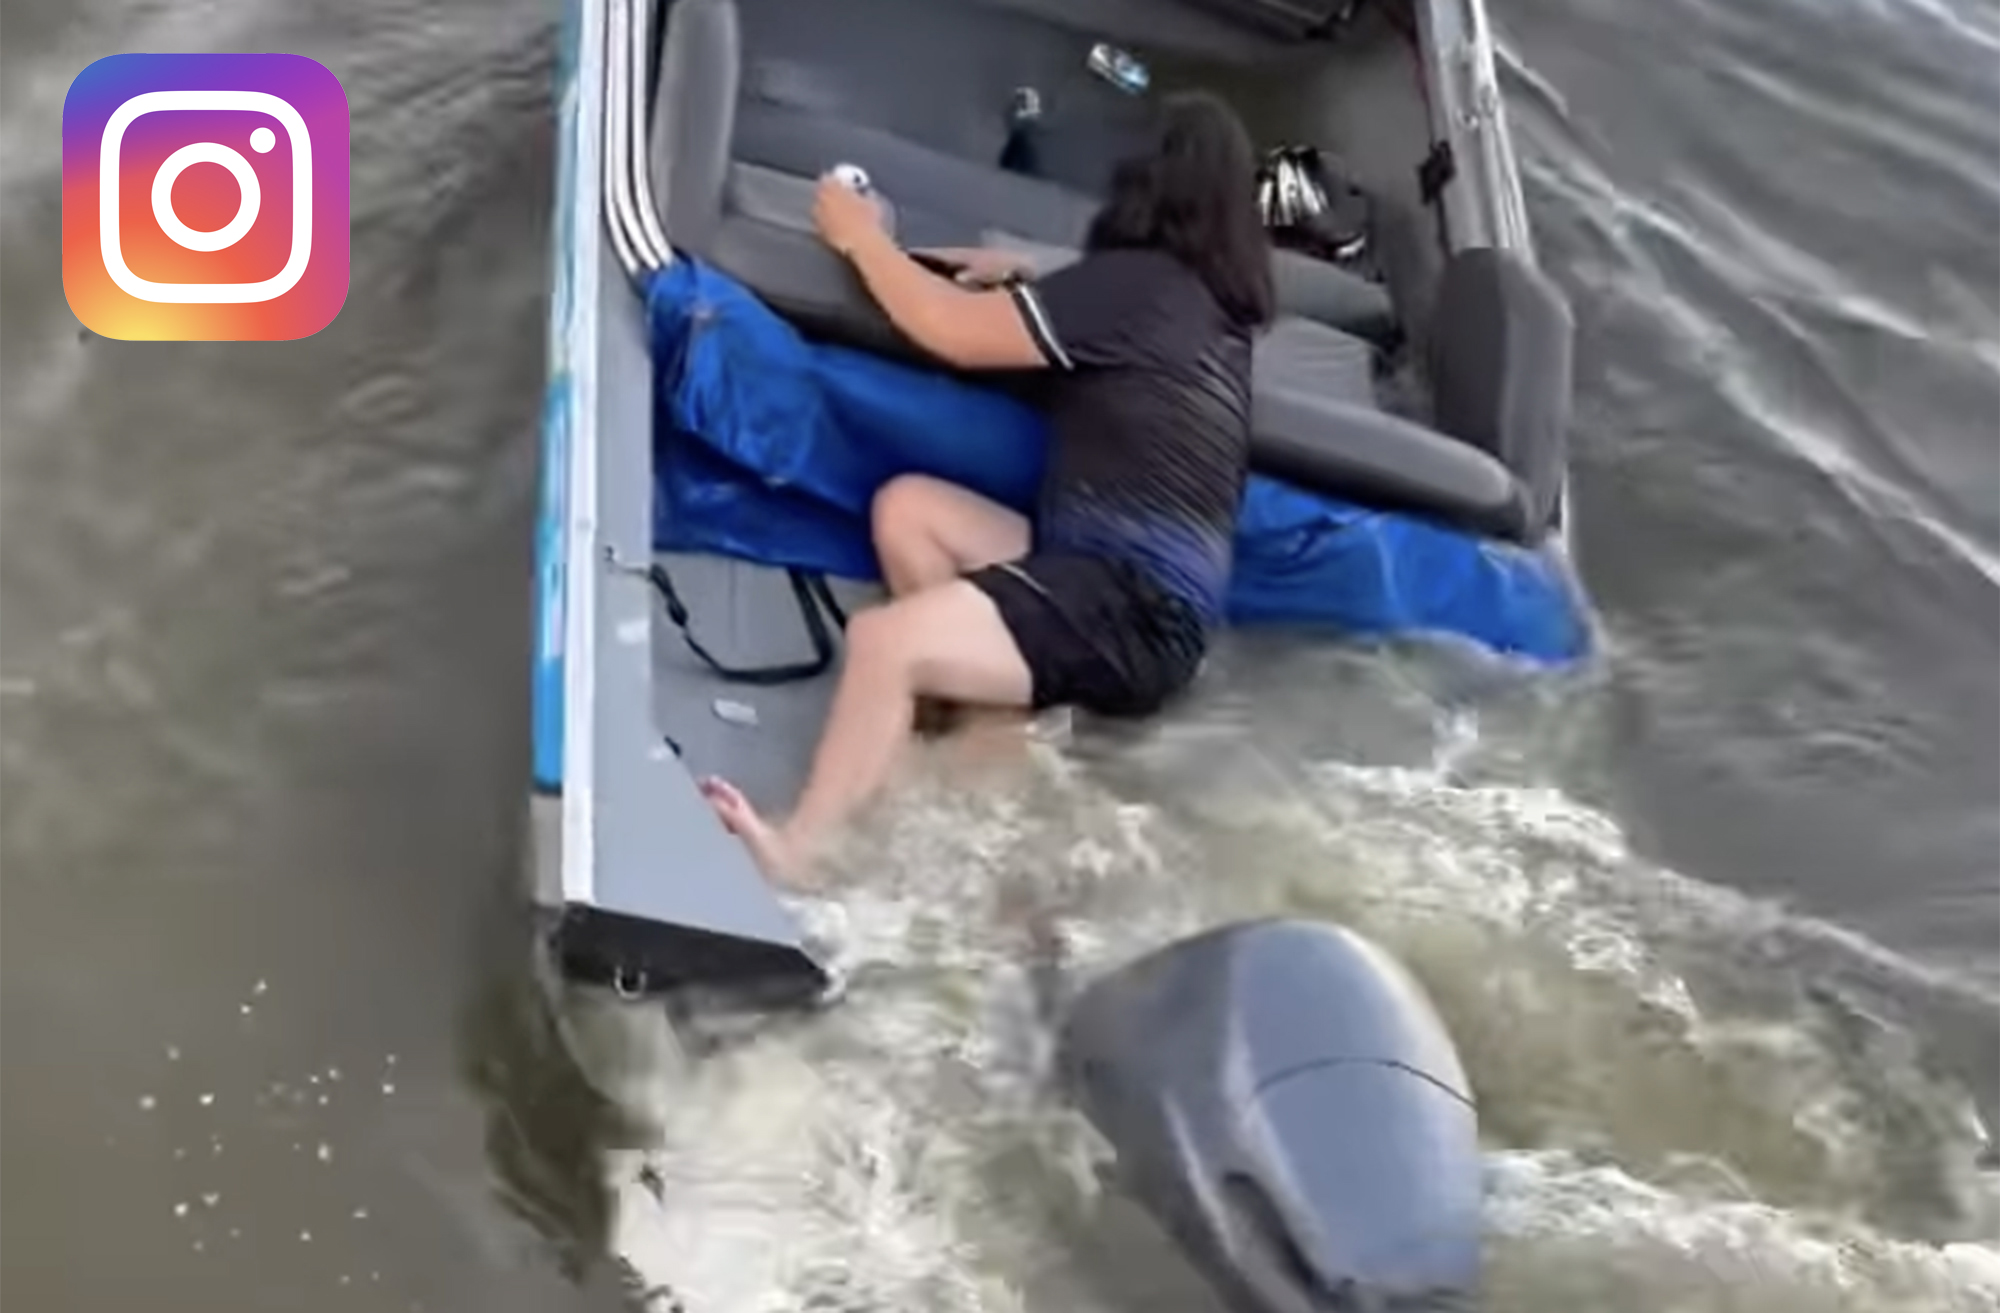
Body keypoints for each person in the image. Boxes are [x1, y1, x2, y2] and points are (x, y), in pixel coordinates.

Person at [699, 92, 1275, 889]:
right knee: (912, 511)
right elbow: (1112, 336)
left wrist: (861, 237)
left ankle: (803, 855)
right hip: (1132, 588)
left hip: (1125, 602)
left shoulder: (1134, 287)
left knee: (883, 644)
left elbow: (952, 332)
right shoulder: (1209, 314)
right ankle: (981, 729)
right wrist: (1036, 280)